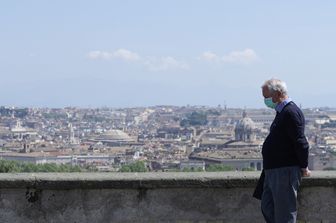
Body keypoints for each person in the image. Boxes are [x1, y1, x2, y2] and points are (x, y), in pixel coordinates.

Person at [260, 78, 310, 223]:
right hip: (274, 170)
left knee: (284, 214)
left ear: (277, 94)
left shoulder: (290, 112)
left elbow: (301, 142)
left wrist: (304, 166)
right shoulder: (282, 112)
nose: (265, 101)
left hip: (284, 171)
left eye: (266, 97)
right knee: (268, 207)